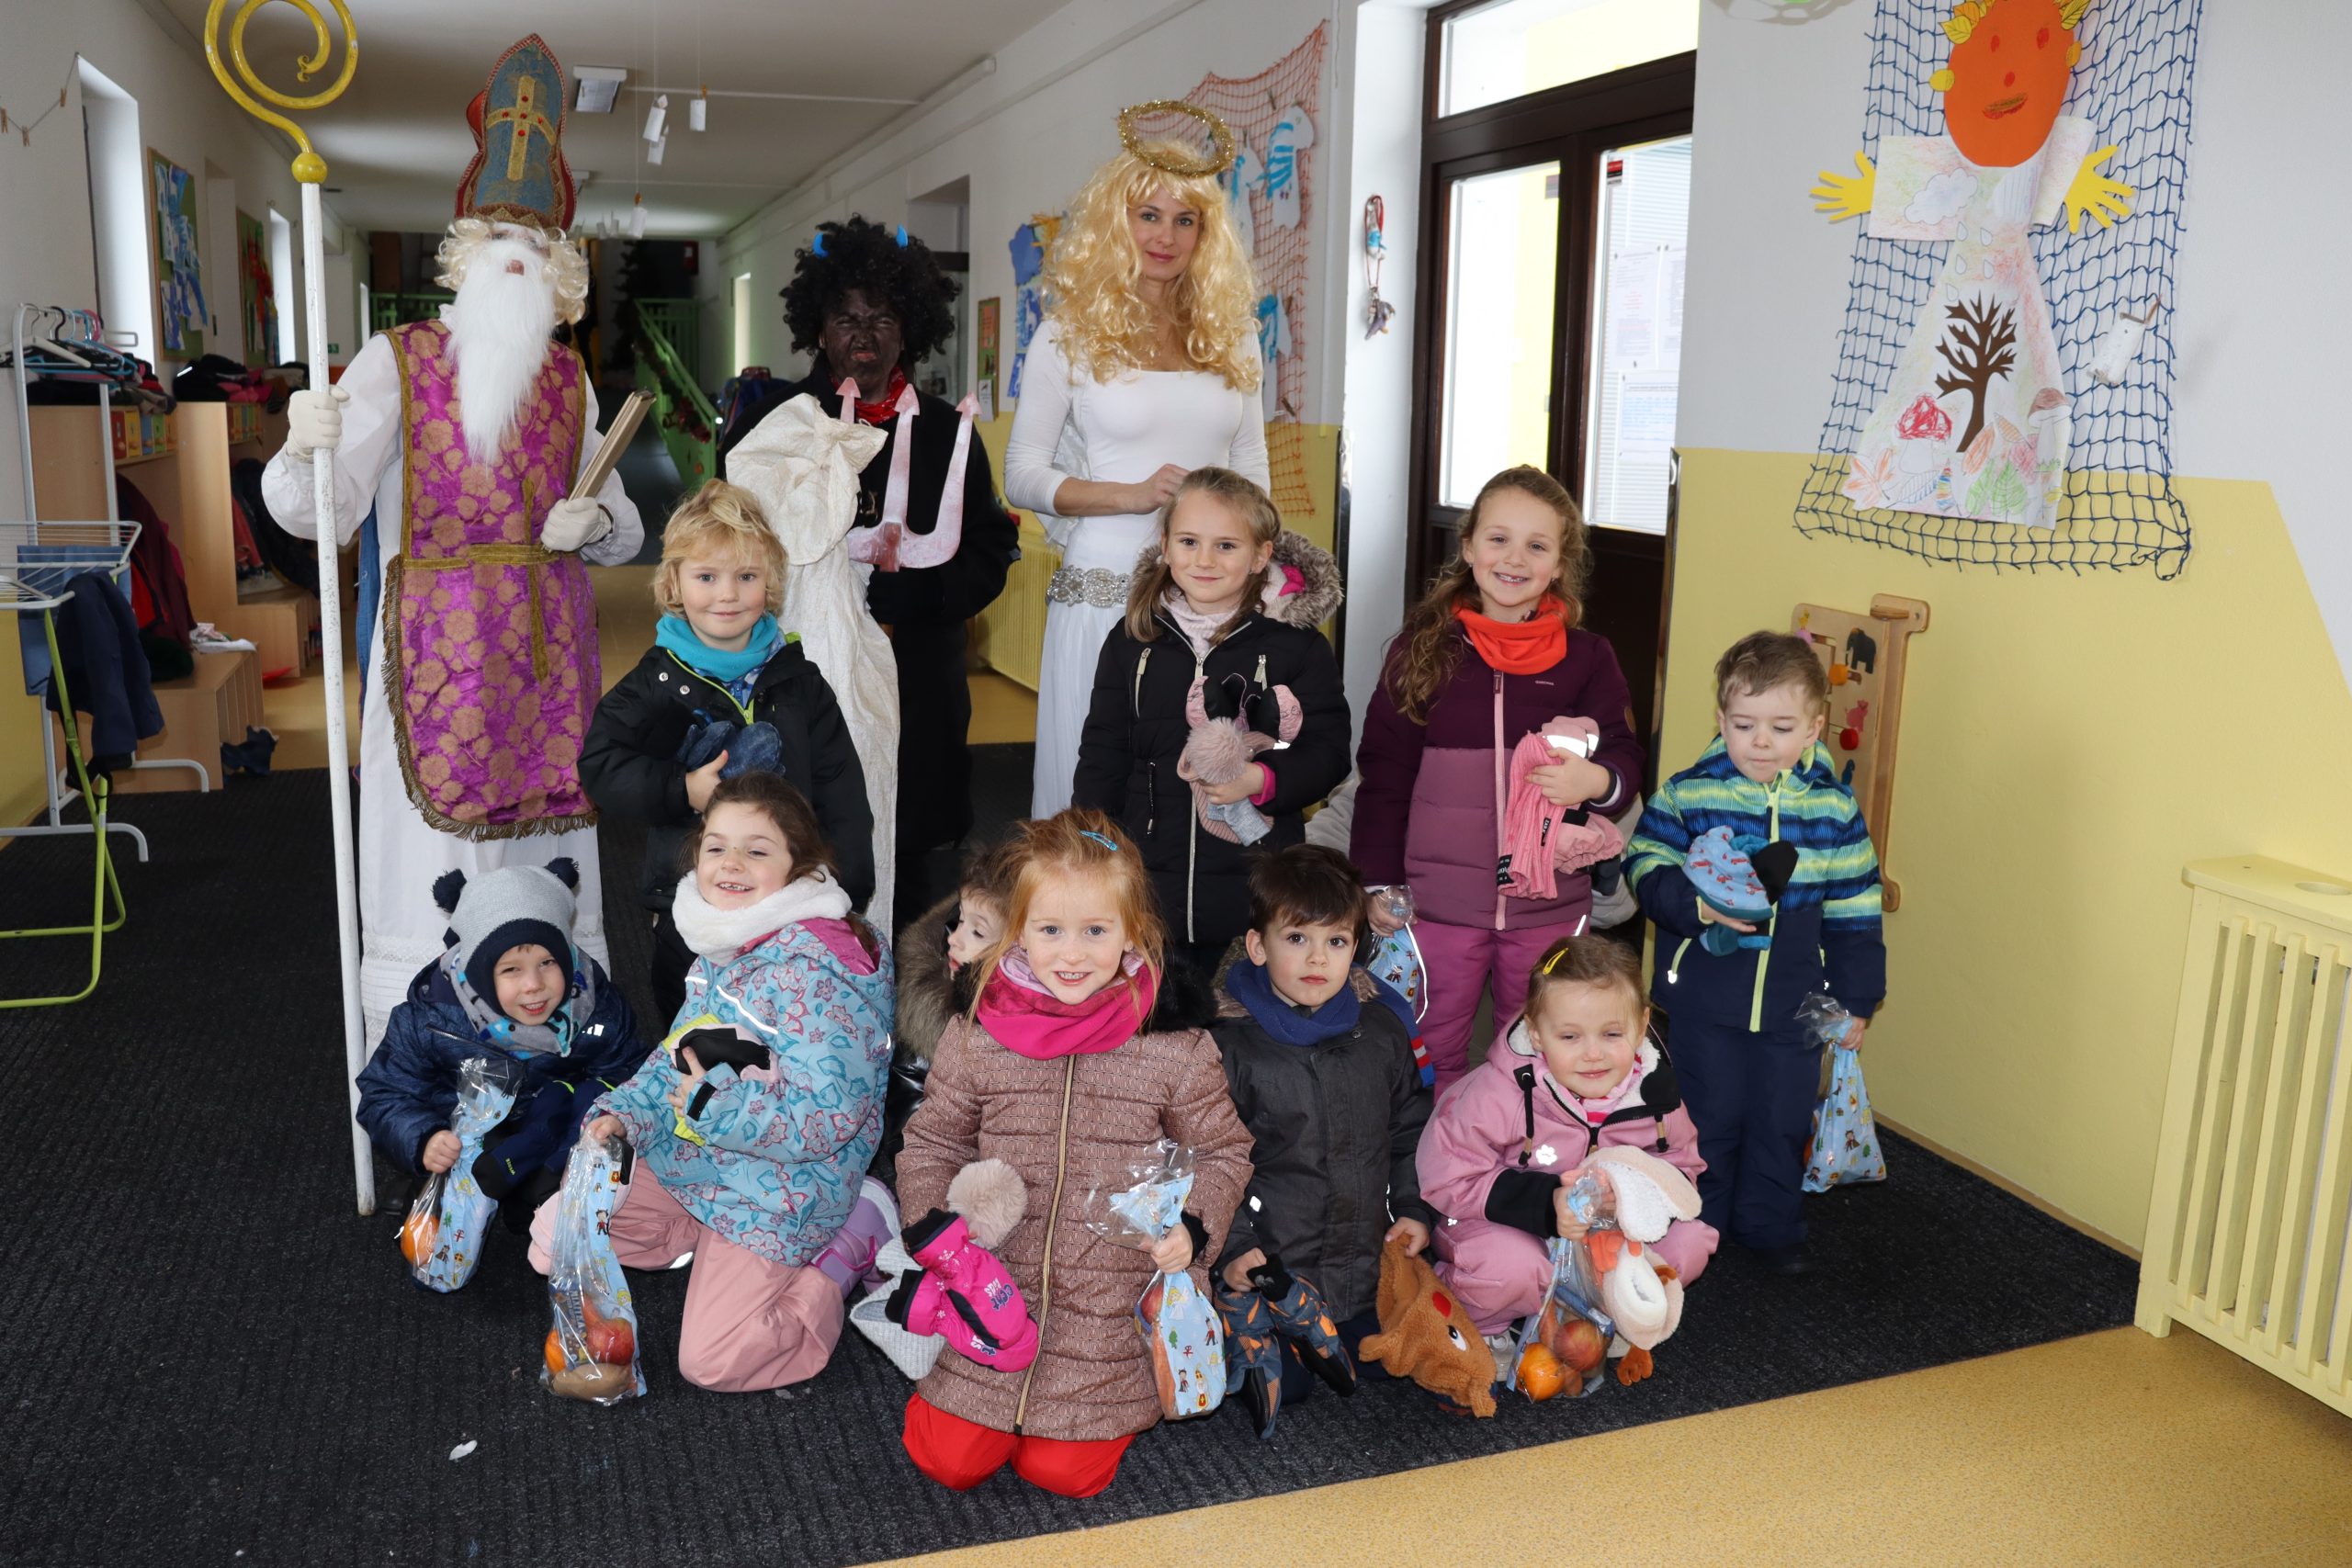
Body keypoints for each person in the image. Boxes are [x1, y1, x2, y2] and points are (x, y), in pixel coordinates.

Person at [263, 35, 643, 1047]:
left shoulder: (571, 381)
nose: (516, 250)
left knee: (550, 854)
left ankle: (556, 1057)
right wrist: (304, 444)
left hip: (550, 661)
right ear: (466, 252)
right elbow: (313, 514)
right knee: (433, 866)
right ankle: (427, 1063)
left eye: (536, 238)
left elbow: (623, 527)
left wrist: (597, 521)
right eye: (499, 234)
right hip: (433, 661)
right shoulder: (393, 362)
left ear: (559, 266)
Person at [894, 811, 1252, 1498]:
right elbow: (934, 1139)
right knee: (946, 1460)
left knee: (1062, 1474)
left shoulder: (1173, 1047)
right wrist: (933, 1225)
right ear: (1018, 931)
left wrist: (1193, 1227)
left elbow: (1223, 1151)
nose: (1072, 953)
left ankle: (1083, 1415)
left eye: (1096, 930)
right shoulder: (978, 1031)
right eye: (1050, 929)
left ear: (1133, 932)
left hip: (1108, 1308)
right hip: (992, 1291)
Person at [534, 773, 897, 1392]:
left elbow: (829, 1117)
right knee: (554, 1237)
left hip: (784, 1187)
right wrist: (625, 1114)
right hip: (704, 1157)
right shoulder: (728, 937)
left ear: (799, 865)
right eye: (716, 846)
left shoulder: (819, 972)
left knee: (714, 1362)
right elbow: (681, 1056)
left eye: (756, 850)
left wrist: (716, 1109)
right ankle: (700, 1239)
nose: (730, 864)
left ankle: (845, 1248)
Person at [717, 217, 1019, 922]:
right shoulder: (779, 425)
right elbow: (730, 547)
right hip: (804, 673)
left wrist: (915, 593)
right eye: (846, 318)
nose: (864, 334)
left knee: (920, 847)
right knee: (801, 837)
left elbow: (988, 550)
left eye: (882, 318)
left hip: (921, 675)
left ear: (908, 329)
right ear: (818, 329)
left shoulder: (946, 431)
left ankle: (916, 980)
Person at [1006, 104, 1272, 818]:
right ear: (1115, 221)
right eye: (1148, 215)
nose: (1165, 236)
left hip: (1213, 594)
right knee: (1099, 794)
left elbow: (1252, 467)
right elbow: (1023, 473)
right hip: (1106, 593)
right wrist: (1132, 494)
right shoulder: (1067, 334)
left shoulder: (1235, 336)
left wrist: (1259, 570)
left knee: (1202, 791)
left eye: (1185, 220)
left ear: (1206, 235)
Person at [1351, 466, 1645, 1092]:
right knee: (1428, 1047)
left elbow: (1625, 753)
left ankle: (1529, 1149)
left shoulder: (1589, 657)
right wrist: (1377, 881)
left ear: (1559, 564)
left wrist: (1596, 780)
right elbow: (1383, 773)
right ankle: (1433, 1149)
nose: (1514, 559)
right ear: (1468, 547)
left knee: (1541, 1049)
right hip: (1436, 905)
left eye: (1537, 546)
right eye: (1498, 539)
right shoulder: (1420, 650)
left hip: (1550, 905)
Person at [1624, 631, 1885, 1275]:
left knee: (1781, 1116)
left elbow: (1855, 907)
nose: (1760, 741)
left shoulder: (1833, 809)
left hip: (1796, 1002)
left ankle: (1769, 1224)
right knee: (1707, 1114)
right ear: (1721, 720)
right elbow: (1644, 861)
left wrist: (1855, 1000)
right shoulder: (1690, 793)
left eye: (1781, 727)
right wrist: (1695, 904)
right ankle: (1699, 1223)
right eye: (1744, 725)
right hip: (1706, 997)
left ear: (1814, 728)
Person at [580, 479, 874, 1026]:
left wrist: (847, 885)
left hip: (788, 893)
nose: (727, 595)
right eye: (707, 577)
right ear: (675, 582)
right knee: (691, 1019)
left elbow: (841, 787)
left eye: (746, 577)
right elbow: (600, 763)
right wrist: (681, 790)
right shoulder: (656, 682)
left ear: (771, 582)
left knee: (786, 1015)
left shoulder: (799, 681)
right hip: (692, 898)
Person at [1071, 468, 1347, 983]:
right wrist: (1090, 839)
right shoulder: (1133, 639)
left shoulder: (1298, 646)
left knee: (1240, 1007)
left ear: (1261, 555)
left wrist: (1261, 780)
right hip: (1147, 872)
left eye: (1225, 545)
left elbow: (1328, 753)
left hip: (1255, 876)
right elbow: (1103, 747)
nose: (1204, 560)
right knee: (1151, 1007)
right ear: (1165, 547)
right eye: (1189, 542)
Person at [1209, 844, 1434, 1401]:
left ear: (1356, 948)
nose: (1317, 960)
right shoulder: (1227, 1046)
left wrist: (1413, 1209)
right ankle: (1247, 1326)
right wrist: (1234, 1251)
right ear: (1258, 946)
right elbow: (1207, 1163)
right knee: (1290, 1389)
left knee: (1393, 1363)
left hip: (1361, 1270)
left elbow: (1410, 1130)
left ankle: (1341, 1317)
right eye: (1296, 939)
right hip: (1270, 1272)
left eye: (1335, 942)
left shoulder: (1380, 1032)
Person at [1416, 934, 1716, 1342]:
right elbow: (1446, 1175)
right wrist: (1545, 1203)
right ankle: (1484, 1330)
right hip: (1508, 1226)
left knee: (1690, 1241)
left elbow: (1684, 1168)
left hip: (1604, 1235)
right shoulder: (1496, 1092)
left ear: (1641, 1025)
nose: (1593, 1054)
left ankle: (1602, 1317)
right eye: (1570, 1037)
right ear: (1537, 1034)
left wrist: (1630, 1198)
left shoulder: (1656, 1095)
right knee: (1509, 1266)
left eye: (1612, 1034)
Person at [356, 858, 643, 1240]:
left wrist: (615, 1117)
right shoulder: (433, 1018)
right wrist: (424, 1138)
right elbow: (386, 1092)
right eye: (511, 969)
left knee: (597, 1141)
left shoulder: (596, 1005)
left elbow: (631, 1072)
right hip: (462, 1140)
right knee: (443, 1223)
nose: (534, 984)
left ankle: (541, 1192)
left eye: (548, 962)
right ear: (479, 972)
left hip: (548, 1133)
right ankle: (443, 1188)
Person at [876, 838, 1019, 1186]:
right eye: (959, 921)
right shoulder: (931, 1016)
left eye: (977, 932)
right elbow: (909, 1142)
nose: (954, 938)